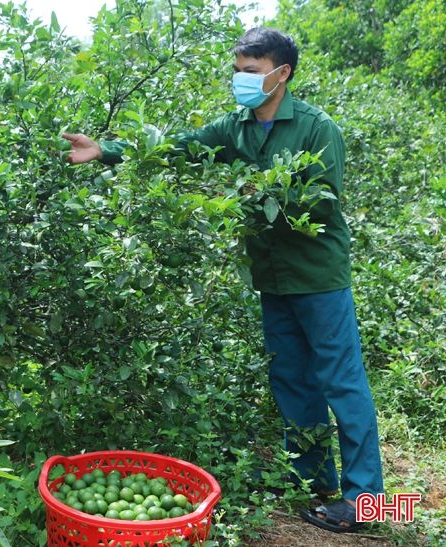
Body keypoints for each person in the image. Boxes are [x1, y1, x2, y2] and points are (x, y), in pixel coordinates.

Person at [62, 27, 383, 533]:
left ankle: (366, 500)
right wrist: (107, 150)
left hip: (318, 278)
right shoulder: (235, 127)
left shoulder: (318, 128)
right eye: (236, 70)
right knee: (293, 381)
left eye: (250, 72)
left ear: (281, 73)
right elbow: (180, 147)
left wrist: (261, 189)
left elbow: (322, 200)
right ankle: (310, 477)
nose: (240, 80)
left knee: (342, 384)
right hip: (272, 277)